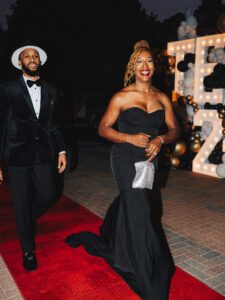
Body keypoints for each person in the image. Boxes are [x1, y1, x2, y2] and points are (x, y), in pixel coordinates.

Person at [65, 40, 180, 299]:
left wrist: (161, 139)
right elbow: (103, 128)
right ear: (132, 67)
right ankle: (145, 271)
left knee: (137, 203)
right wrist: (129, 138)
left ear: (154, 66)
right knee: (140, 208)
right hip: (125, 157)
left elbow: (175, 129)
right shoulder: (122, 96)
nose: (145, 66)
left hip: (150, 160)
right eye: (139, 62)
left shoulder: (162, 98)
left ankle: (115, 239)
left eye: (149, 61)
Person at [0, 43, 67, 271]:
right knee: (20, 204)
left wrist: (61, 150)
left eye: (35, 55)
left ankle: (26, 221)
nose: (31, 58)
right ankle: (28, 250)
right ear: (20, 63)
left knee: (49, 193)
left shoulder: (51, 90)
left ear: (40, 61)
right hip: (16, 155)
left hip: (43, 154)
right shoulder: (7, 89)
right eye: (26, 56)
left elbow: (54, 124)